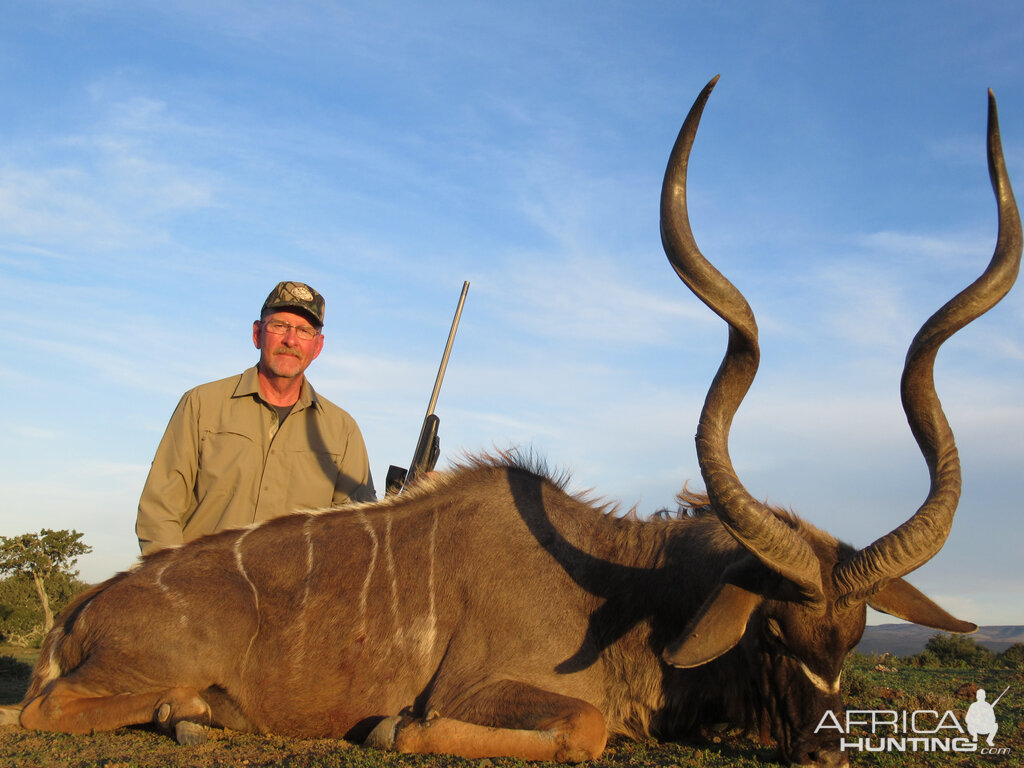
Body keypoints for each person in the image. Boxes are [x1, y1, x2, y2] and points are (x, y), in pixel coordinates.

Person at [136, 281, 376, 555]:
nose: (291, 340)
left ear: (317, 346)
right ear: (257, 334)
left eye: (304, 331)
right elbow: (159, 511)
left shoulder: (342, 430)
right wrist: (176, 585)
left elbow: (356, 536)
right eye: (280, 326)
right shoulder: (201, 404)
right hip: (200, 590)